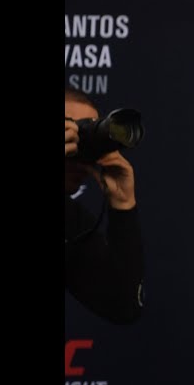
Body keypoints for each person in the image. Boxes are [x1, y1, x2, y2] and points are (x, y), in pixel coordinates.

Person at [64, 86, 145, 324]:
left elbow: (122, 306)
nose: (77, 147)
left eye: (85, 135)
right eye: (69, 131)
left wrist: (123, 205)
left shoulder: (70, 220)